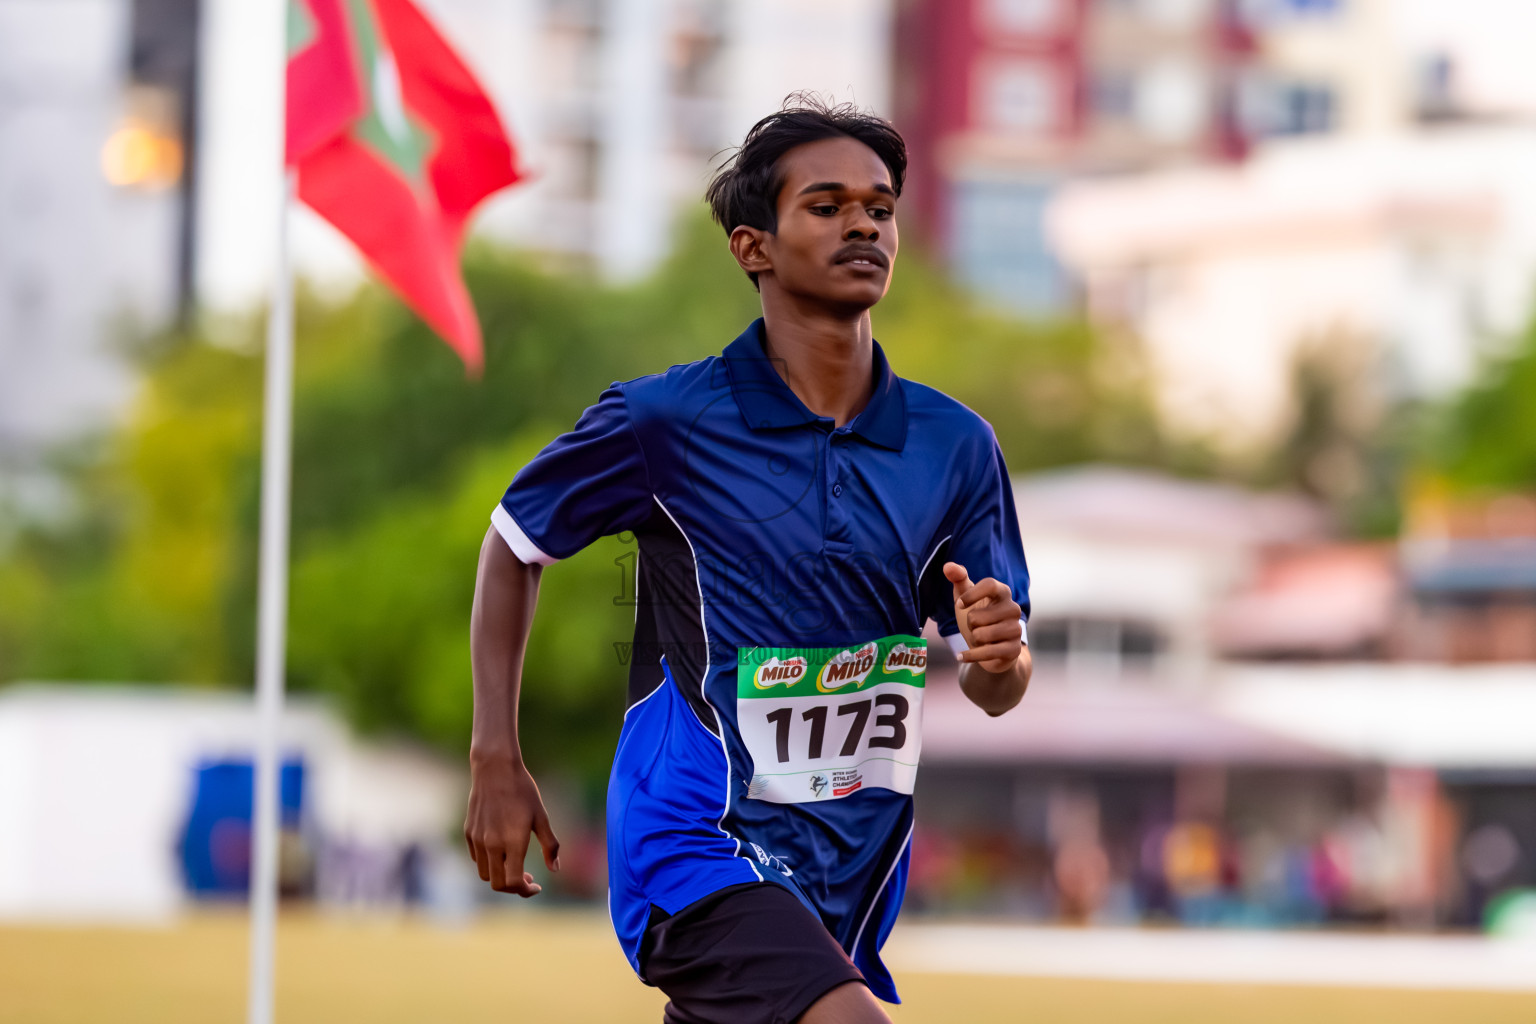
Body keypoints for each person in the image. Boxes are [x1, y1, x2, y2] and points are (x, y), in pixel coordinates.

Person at [463, 96, 1032, 1024]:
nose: (863, 225)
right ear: (752, 246)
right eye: (827, 205)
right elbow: (514, 541)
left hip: (845, 870)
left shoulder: (955, 445)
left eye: (881, 208)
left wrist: (1001, 657)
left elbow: (995, 687)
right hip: (694, 844)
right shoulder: (666, 421)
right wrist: (496, 755)